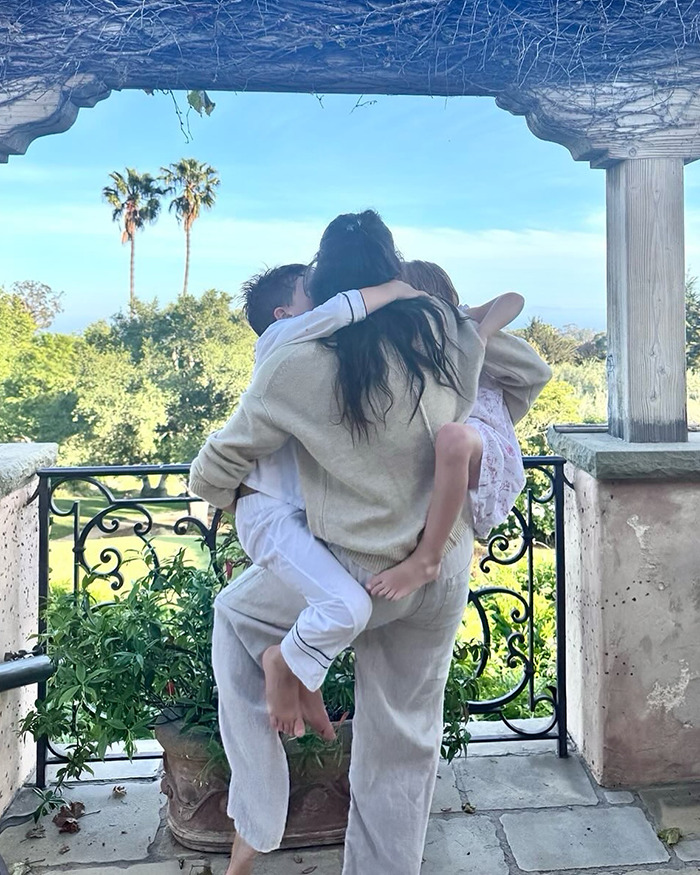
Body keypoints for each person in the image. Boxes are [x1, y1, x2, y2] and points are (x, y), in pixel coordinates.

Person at [189, 210, 551, 875]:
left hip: (356, 567)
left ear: (324, 283)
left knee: (236, 615)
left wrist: (236, 496)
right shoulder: (441, 336)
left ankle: (261, 805)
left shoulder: (298, 362)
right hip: (439, 569)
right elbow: (505, 362)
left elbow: (213, 470)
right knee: (402, 742)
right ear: (392, 270)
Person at [232, 264, 426, 738]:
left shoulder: (308, 356)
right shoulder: (277, 340)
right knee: (347, 609)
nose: (319, 296)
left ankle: (302, 679)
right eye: (307, 291)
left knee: (329, 604)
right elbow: (341, 309)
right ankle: (282, 663)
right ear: (283, 314)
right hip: (268, 514)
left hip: (292, 517)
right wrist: (397, 287)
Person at [367, 260, 527, 599]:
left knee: (452, 438)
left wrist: (480, 335)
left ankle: (429, 558)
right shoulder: (408, 344)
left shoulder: (461, 324)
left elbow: (514, 299)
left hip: (482, 436)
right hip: (457, 436)